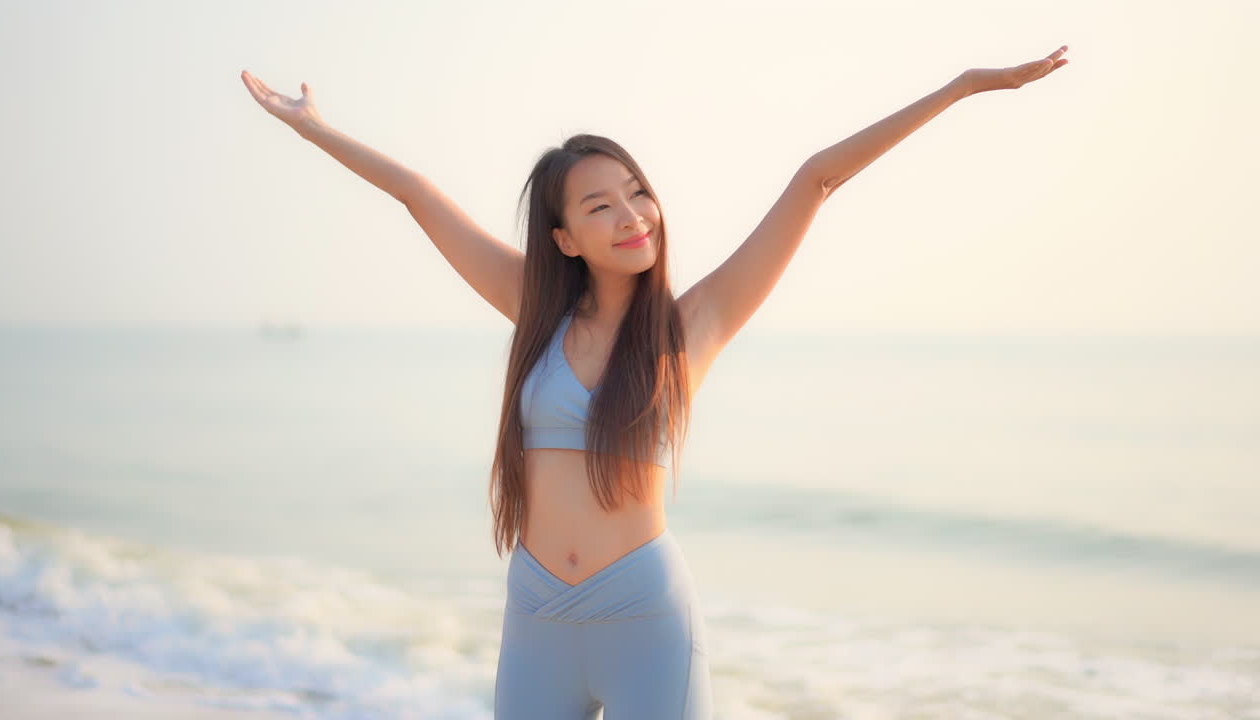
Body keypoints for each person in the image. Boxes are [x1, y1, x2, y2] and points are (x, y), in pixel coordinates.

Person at [240, 45, 1067, 720]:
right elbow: (418, 196)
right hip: (536, 617)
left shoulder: (689, 331)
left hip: (646, 622)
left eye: (638, 195)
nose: (631, 215)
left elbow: (818, 176)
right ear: (564, 238)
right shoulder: (535, 314)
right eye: (600, 207)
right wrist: (314, 129)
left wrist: (958, 90)